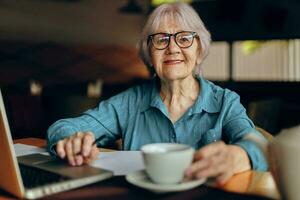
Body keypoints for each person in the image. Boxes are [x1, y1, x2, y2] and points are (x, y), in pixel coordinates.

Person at [47, 2, 268, 185]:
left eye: (184, 38)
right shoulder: (131, 102)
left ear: (199, 50)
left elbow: (258, 145)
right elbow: (63, 127)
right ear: (149, 55)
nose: (172, 48)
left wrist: (236, 156)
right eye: (161, 39)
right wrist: (70, 141)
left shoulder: (225, 102)